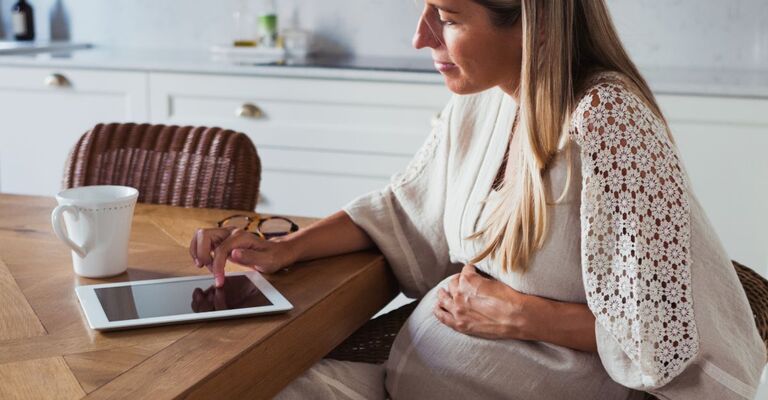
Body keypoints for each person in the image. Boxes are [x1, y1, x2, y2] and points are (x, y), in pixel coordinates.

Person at [188, 1, 766, 399]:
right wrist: (285, 247)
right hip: (415, 374)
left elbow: (660, 339)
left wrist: (523, 317)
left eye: (447, 17)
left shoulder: (609, 124)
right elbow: (406, 208)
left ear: (532, 23)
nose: (421, 38)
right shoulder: (485, 101)